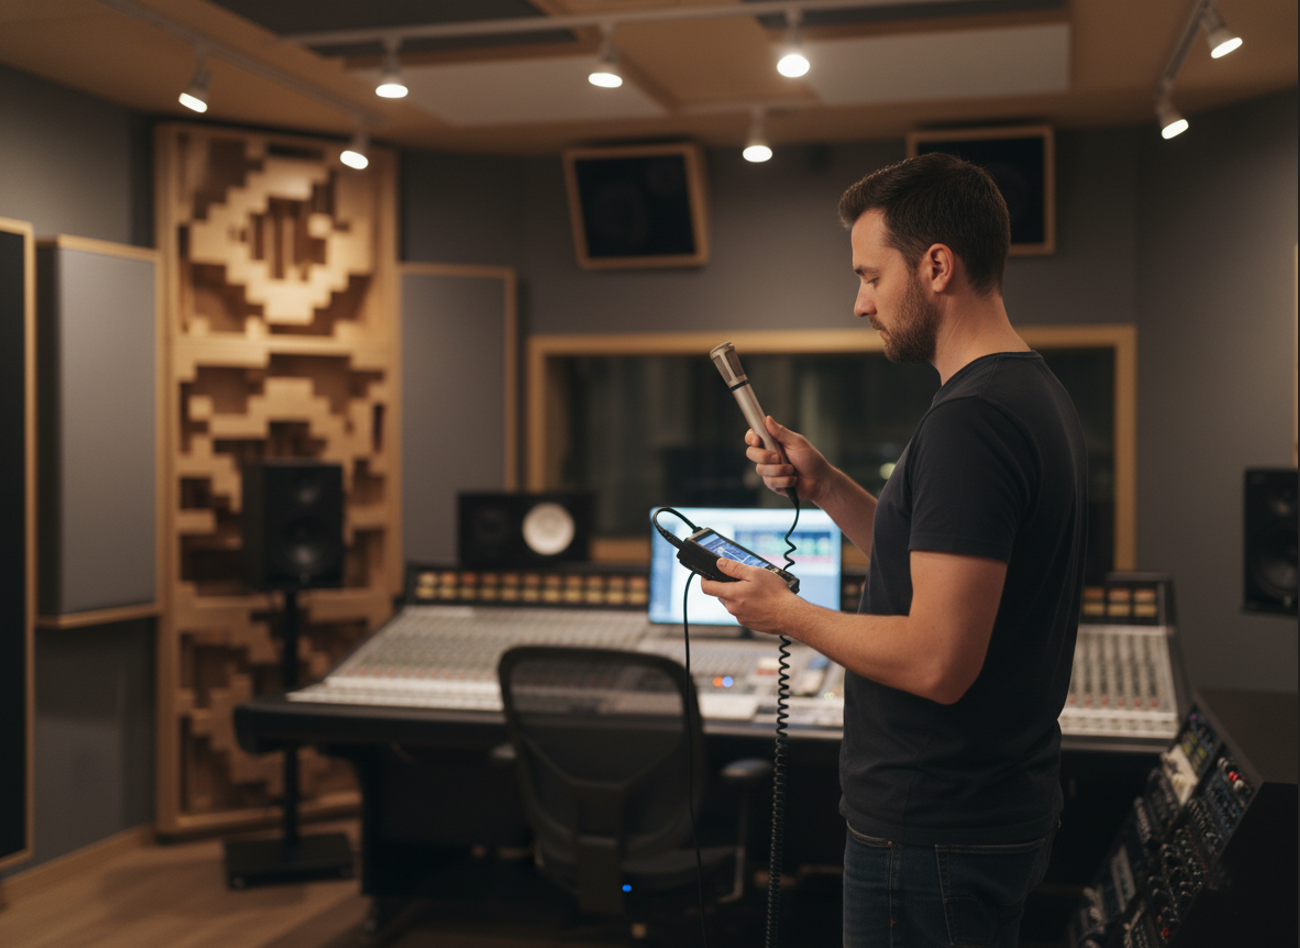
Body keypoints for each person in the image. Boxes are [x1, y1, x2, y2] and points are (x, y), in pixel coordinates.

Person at [699, 152, 1088, 948]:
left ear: (937, 266)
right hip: (983, 814)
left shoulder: (970, 424)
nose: (859, 302)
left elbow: (938, 659)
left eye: (872, 277)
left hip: (932, 831)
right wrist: (831, 485)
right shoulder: (1028, 394)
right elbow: (936, 571)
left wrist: (787, 614)